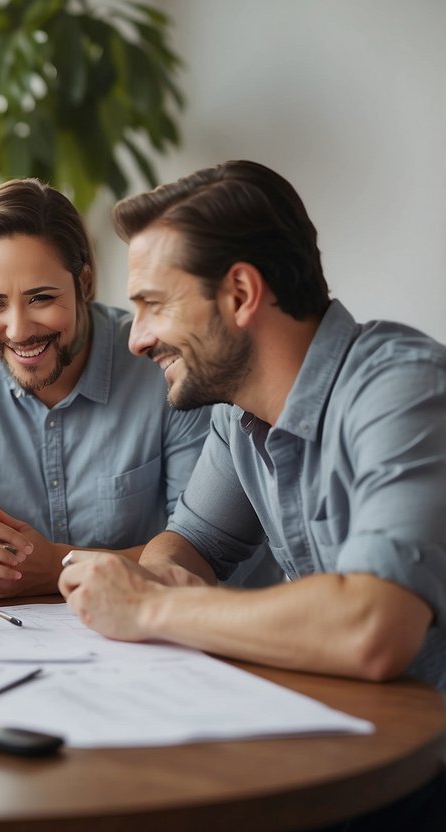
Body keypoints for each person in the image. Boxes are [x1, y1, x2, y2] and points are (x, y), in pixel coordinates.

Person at [60, 159, 446, 692]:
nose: (137, 339)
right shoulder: (236, 414)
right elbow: (186, 545)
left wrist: (152, 607)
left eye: (153, 304)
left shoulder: (403, 390)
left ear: (240, 294)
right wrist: (163, 579)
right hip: (350, 732)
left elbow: (373, 627)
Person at [0, 178, 259, 600]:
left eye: (40, 298)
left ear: (84, 282)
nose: (17, 330)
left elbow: (199, 550)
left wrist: (56, 565)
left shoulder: (162, 362)